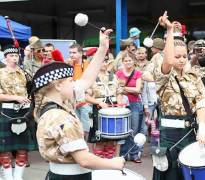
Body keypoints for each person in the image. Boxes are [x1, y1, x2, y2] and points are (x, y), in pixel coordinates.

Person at [33, 28, 125, 180]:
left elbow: (86, 80)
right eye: (70, 81)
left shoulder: (55, 102)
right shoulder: (59, 117)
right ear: (57, 86)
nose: (74, 83)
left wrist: (102, 49)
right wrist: (114, 163)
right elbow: (84, 159)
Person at [152, 12, 205, 180]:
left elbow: (200, 102)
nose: (182, 60)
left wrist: (203, 128)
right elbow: (167, 61)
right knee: (171, 174)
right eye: (178, 56)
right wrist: (169, 30)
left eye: (184, 56)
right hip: (170, 132)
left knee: (191, 172)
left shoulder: (194, 76)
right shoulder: (163, 75)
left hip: (191, 130)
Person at [0, 45, 38, 180]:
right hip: (6, 112)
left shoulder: (25, 72)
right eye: (11, 56)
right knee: (5, 149)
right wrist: (16, 98)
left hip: (24, 112)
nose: (14, 58)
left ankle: (18, 177)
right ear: (5, 58)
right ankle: (8, 177)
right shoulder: (0, 73)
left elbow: (33, 89)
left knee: (23, 148)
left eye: (16, 55)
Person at [116, 53, 144, 163]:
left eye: (130, 60)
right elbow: (116, 88)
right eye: (126, 60)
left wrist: (124, 88)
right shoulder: (118, 73)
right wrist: (126, 89)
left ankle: (134, 154)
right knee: (123, 130)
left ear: (134, 61)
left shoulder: (137, 73)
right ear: (123, 62)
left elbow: (138, 90)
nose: (128, 62)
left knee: (134, 130)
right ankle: (123, 154)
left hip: (135, 104)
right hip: (122, 104)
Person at [67, 44, 92, 141]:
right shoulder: (68, 65)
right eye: (70, 53)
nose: (71, 55)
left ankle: (85, 148)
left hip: (84, 101)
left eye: (74, 52)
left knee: (86, 127)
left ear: (81, 53)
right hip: (72, 101)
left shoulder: (87, 65)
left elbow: (90, 82)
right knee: (75, 127)